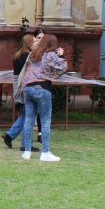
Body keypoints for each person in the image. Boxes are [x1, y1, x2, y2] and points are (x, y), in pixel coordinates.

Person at [19, 34, 67, 162]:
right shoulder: (50, 55)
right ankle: (45, 152)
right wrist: (60, 55)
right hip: (42, 88)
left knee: (28, 120)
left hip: (28, 88)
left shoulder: (32, 54)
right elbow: (62, 67)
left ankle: (27, 152)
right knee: (45, 121)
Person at [2, 34, 41, 152]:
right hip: (24, 85)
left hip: (19, 85)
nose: (36, 43)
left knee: (26, 114)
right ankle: (24, 144)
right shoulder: (25, 56)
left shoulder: (19, 54)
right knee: (29, 115)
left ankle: (10, 135)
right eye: (34, 41)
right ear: (28, 43)